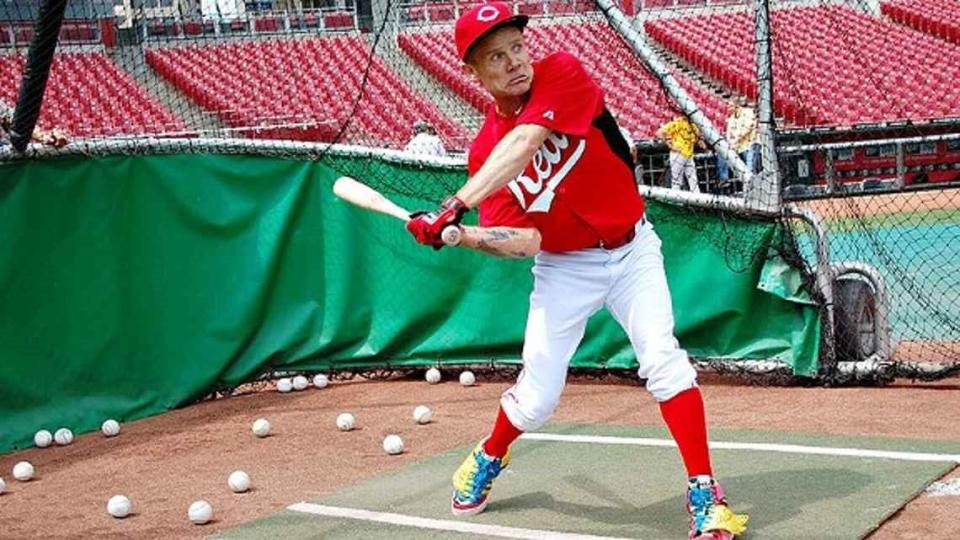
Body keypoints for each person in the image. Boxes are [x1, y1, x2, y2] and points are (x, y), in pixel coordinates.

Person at [404, 3, 749, 538]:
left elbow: (525, 143)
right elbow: (525, 242)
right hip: (564, 267)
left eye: (517, 46)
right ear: (473, 72)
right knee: (538, 398)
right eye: (496, 57)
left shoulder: (561, 74)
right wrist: (464, 234)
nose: (515, 61)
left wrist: (454, 206)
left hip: (634, 251)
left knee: (663, 360)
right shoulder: (483, 155)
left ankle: (705, 493)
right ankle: (491, 454)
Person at [716, 96, 758, 183]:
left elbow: (747, 128)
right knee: (722, 151)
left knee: (750, 166)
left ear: (737, 106)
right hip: (737, 146)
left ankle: (753, 183)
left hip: (749, 144)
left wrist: (735, 141)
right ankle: (724, 179)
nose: (729, 108)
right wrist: (731, 144)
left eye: (731, 106)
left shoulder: (748, 113)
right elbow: (728, 134)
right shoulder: (731, 119)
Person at [657, 114, 701, 193]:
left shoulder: (693, 125)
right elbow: (660, 132)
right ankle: (676, 199)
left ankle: (697, 198)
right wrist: (670, 145)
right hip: (678, 154)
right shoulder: (677, 123)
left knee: (693, 179)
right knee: (677, 180)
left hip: (689, 155)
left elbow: (697, 139)